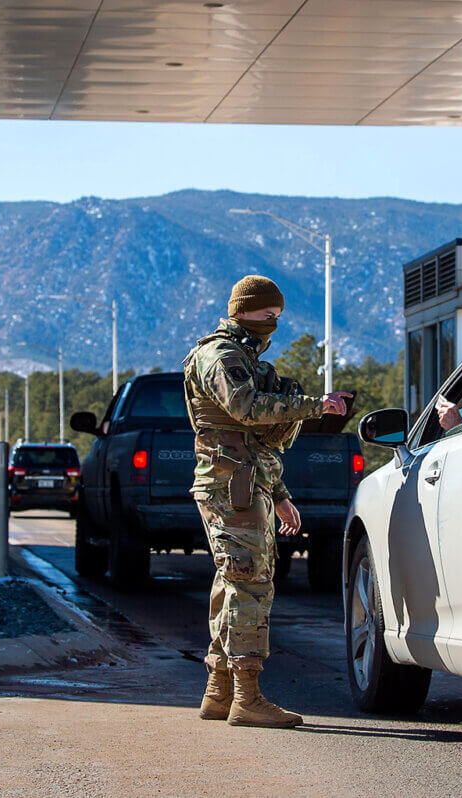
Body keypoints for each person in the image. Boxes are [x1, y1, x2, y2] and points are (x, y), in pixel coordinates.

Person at [182, 275, 351, 729]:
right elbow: (245, 408)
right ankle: (247, 696)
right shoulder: (219, 356)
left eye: (277, 315)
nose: (272, 323)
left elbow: (256, 443)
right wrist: (314, 406)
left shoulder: (247, 358)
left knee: (235, 582)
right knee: (250, 585)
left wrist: (278, 495)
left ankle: (220, 692)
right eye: (265, 314)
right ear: (241, 310)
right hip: (229, 488)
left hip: (247, 485)